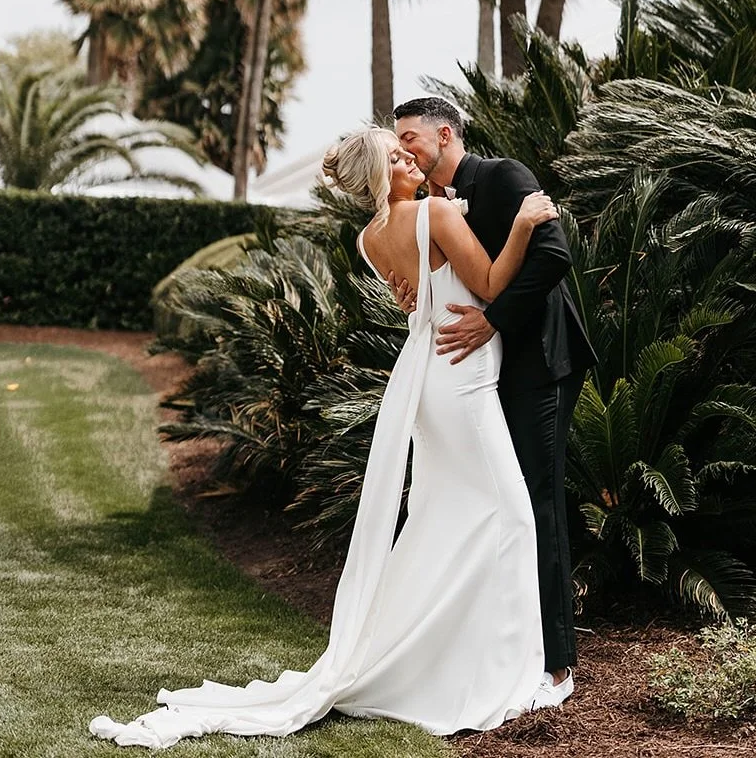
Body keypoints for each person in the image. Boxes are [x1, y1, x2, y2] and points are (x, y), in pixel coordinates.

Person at [89, 127, 560, 747]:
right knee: (512, 519)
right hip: (464, 382)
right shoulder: (439, 212)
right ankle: (507, 670)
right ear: (380, 174)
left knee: (446, 519)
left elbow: (416, 295)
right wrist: (524, 223)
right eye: (397, 155)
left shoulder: (369, 241)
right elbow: (494, 286)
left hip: (426, 382)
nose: (410, 157)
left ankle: (440, 658)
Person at [392, 96, 597, 709]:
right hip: (481, 378)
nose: (402, 149)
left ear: (445, 134)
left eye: (410, 137)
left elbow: (554, 256)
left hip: (539, 365)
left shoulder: (505, 176)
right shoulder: (433, 207)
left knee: (536, 499)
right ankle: (500, 643)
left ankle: (558, 667)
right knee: (496, 504)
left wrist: (492, 322)